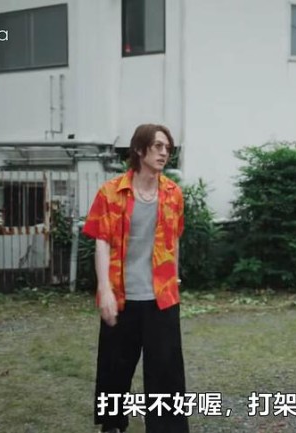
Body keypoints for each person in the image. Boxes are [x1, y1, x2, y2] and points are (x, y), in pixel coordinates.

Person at [83, 123, 188, 433]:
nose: (164, 153)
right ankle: (113, 424)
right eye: (158, 146)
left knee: (166, 372)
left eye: (167, 148)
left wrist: (175, 278)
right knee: (115, 367)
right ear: (140, 150)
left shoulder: (173, 194)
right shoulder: (111, 192)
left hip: (161, 297)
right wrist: (104, 289)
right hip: (122, 295)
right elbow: (101, 242)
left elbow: (174, 239)